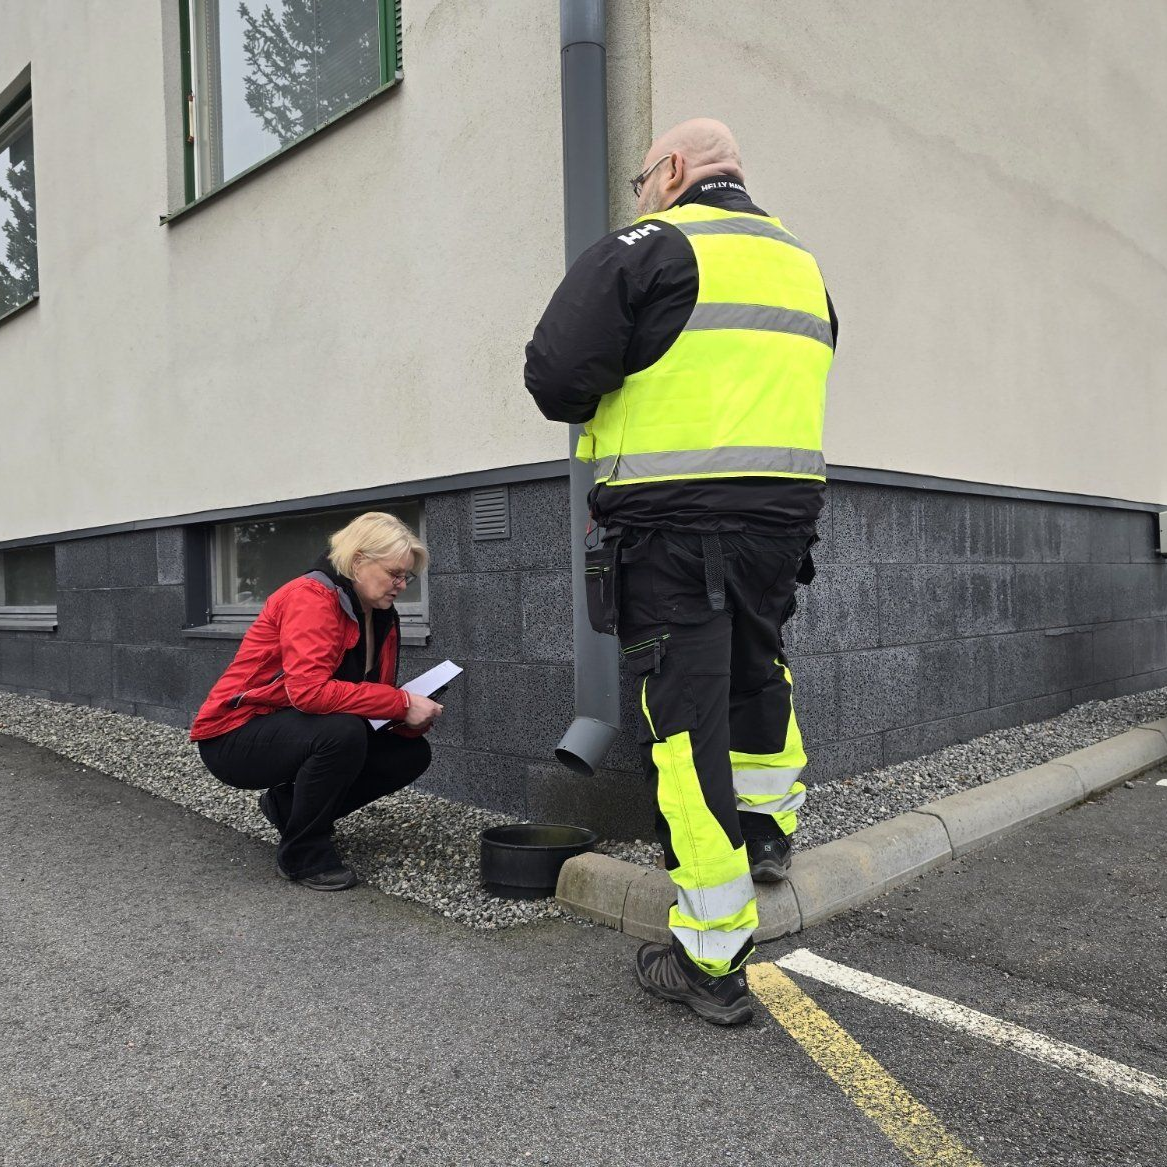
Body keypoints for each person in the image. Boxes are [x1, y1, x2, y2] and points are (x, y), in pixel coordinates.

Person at [524, 118, 837, 1024]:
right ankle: (768, 833)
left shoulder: (649, 247)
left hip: (672, 526)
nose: (640, 195)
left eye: (640, 181)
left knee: (684, 725)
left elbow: (555, 378)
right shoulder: (801, 263)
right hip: (780, 524)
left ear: (669, 169)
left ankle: (711, 954)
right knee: (758, 669)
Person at [190, 512, 444, 891]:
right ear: (358, 561)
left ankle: (287, 807)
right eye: (394, 574)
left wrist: (406, 718)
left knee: (409, 753)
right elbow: (308, 692)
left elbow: (367, 699)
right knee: (342, 733)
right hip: (233, 735)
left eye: (407, 576)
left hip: (296, 726)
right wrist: (400, 703)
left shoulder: (379, 614)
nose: (402, 585)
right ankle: (303, 855)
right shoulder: (310, 597)